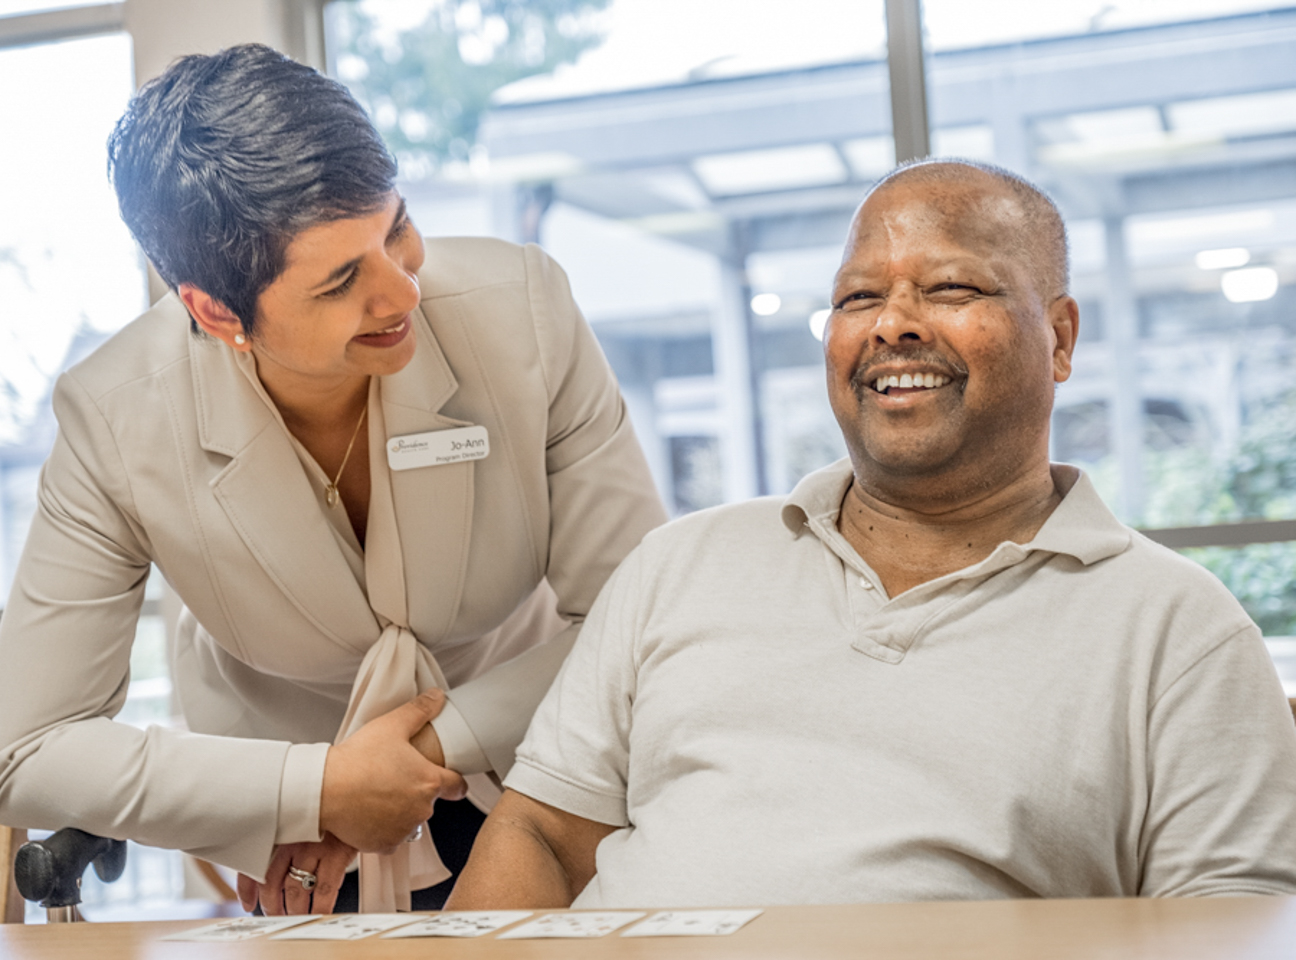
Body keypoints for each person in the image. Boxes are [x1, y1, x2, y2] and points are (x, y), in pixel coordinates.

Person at [447, 159, 1296, 910]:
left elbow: (1232, 920)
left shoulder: (1178, 628)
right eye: (858, 298)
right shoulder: (680, 565)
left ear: (1060, 337)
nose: (892, 323)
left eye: (952, 289)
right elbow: (543, 839)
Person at [0, 43, 665, 915]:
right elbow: (25, 752)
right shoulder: (115, 419)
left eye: (396, 228)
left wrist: (412, 757)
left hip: (535, 751)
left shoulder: (523, 310)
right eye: (343, 279)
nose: (402, 292)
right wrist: (315, 789)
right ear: (216, 311)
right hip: (298, 834)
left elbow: (639, 621)